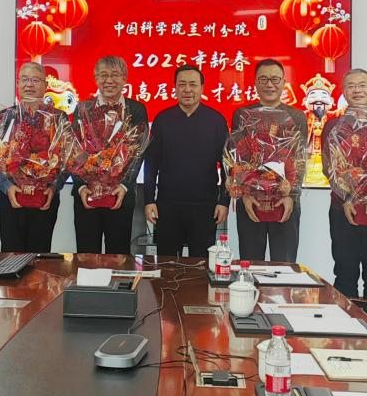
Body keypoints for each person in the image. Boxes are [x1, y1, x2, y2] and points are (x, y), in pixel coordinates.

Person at [320, 69, 367, 323]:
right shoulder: (333, 126)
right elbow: (329, 167)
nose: (357, 90)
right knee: (345, 272)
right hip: (343, 210)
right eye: (351, 86)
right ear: (344, 92)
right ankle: (345, 328)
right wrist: (346, 198)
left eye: (363, 85)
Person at [143, 65, 230, 258]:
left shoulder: (216, 121)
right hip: (168, 205)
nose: (187, 89)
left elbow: (227, 166)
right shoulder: (162, 120)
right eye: (182, 84)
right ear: (175, 87)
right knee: (166, 262)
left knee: (200, 263)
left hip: (205, 206)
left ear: (202, 88)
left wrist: (224, 201)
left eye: (193, 84)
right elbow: (151, 164)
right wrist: (149, 200)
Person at [231, 59, 310, 262]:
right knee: (250, 264)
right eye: (263, 79)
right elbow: (237, 159)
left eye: (275, 79)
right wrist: (244, 193)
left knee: (284, 263)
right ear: (255, 83)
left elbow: (299, 159)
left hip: (285, 200)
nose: (269, 84)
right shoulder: (242, 115)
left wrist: (291, 195)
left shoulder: (297, 116)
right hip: (251, 200)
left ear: (284, 82)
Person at [72, 56, 149, 255]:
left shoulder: (136, 110)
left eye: (115, 75)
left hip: (119, 195)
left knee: (118, 255)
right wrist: (81, 186)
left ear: (124, 78)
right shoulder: (82, 109)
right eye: (103, 75)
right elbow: (73, 151)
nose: (109, 80)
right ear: (95, 78)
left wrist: (124, 185)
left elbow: (138, 152)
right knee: (87, 255)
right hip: (87, 195)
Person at [0, 61, 68, 253]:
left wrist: (54, 186)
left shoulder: (59, 118)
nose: (29, 84)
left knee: (41, 255)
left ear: (45, 85)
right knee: (10, 254)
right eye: (24, 80)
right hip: (11, 198)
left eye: (35, 80)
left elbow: (68, 159)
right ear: (18, 84)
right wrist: (7, 187)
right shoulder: (4, 117)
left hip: (45, 198)